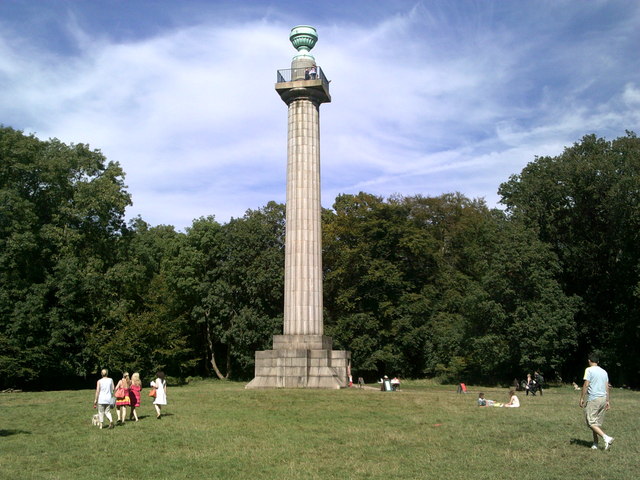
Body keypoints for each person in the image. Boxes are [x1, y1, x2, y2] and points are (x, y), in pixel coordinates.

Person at [580, 353, 614, 450]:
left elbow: (586, 384)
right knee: (596, 422)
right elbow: (607, 386)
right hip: (603, 398)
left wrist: (582, 398)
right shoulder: (604, 371)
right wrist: (608, 400)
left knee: (590, 421)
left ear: (589, 361)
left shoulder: (589, 370)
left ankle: (606, 437)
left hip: (594, 399)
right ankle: (595, 443)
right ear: (598, 361)